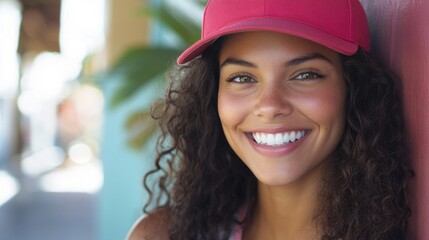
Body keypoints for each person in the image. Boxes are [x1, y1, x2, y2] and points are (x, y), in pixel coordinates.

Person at [128, 0, 413, 239]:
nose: (270, 106)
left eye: (305, 75)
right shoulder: (164, 235)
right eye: (242, 78)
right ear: (212, 95)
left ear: (354, 88)